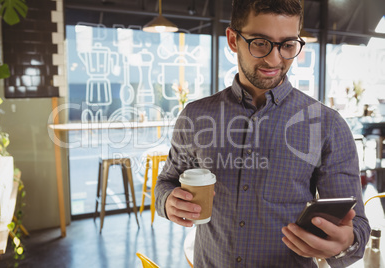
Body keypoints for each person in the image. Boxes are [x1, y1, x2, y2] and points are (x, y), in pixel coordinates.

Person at [155, 0, 370, 267]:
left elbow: (357, 226)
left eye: (288, 45)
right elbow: (166, 182)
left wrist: (345, 243)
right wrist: (168, 202)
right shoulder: (196, 116)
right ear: (233, 40)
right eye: (259, 42)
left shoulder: (327, 125)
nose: (274, 59)